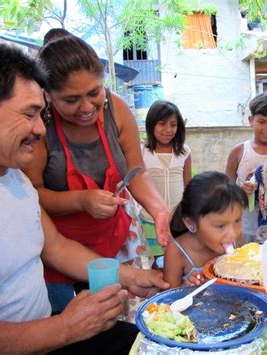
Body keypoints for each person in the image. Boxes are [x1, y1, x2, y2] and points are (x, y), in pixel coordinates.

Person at [0, 42, 169, 354]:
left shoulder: (15, 180)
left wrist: (132, 276)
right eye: (30, 113)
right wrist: (65, 327)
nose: (41, 129)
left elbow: (56, 248)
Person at [22, 35, 171, 313]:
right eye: (71, 100)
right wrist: (81, 201)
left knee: (112, 321)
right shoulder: (40, 126)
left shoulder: (117, 110)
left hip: (112, 240)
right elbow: (33, 193)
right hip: (57, 249)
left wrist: (159, 209)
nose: (87, 107)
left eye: (94, 92)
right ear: (48, 95)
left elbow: (135, 170)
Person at [163, 171, 248, 288]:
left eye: (237, 220)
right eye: (220, 226)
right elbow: (168, 298)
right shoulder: (176, 253)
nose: (233, 234)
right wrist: (186, 287)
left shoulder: (234, 239)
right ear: (190, 223)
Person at [225, 93, 267, 242]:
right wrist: (241, 191)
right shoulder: (239, 151)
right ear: (251, 120)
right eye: (262, 121)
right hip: (245, 227)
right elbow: (226, 190)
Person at [140, 100, 192, 256]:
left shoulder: (184, 152)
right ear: (151, 125)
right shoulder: (142, 152)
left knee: (177, 258)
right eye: (162, 124)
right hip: (150, 219)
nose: (168, 130)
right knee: (157, 262)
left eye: (173, 125)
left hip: (177, 221)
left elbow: (188, 186)